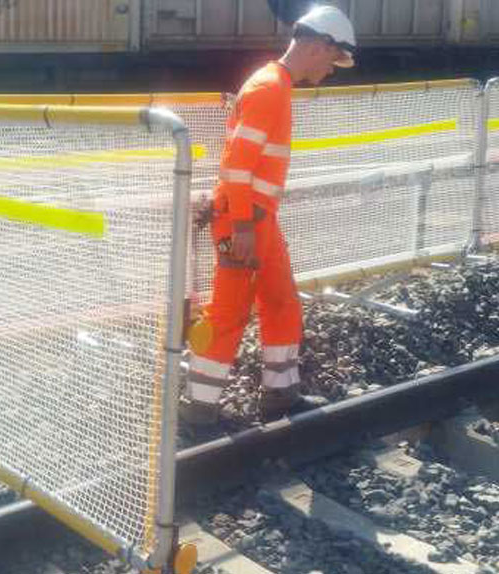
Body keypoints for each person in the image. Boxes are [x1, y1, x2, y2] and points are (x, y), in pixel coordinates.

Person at [180, 5, 357, 425]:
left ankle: (280, 395)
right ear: (319, 46)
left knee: (281, 302)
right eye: (334, 59)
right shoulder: (268, 89)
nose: (333, 69)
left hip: (260, 221)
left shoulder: (275, 85)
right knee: (228, 312)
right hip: (245, 223)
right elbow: (236, 166)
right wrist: (240, 224)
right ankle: (198, 409)